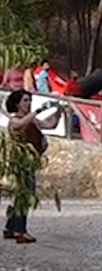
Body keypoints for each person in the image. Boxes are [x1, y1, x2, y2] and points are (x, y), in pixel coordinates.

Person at [3, 90, 62, 243]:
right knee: (26, 195)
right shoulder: (14, 121)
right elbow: (21, 124)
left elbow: (50, 124)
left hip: (31, 161)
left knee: (21, 195)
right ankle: (20, 230)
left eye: (29, 100)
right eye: (25, 101)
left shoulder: (32, 120)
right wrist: (38, 110)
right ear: (17, 104)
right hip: (21, 162)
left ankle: (11, 227)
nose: (28, 103)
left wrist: (57, 111)